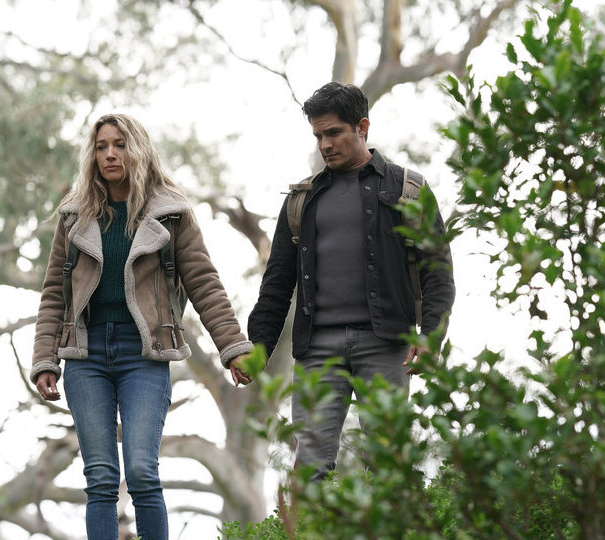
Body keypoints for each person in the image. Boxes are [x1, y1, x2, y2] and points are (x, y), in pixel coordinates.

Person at [30, 113, 253, 540]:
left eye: (119, 145)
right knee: (99, 477)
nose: (110, 154)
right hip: (86, 355)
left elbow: (204, 282)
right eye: (101, 147)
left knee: (141, 470)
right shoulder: (73, 216)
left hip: (144, 354)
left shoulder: (170, 213)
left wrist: (233, 348)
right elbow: (54, 294)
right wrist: (45, 360)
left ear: (139, 150)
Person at [247, 82, 455, 481]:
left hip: (386, 343)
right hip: (316, 350)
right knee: (309, 470)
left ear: (362, 127)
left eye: (333, 133)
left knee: (388, 465)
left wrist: (431, 336)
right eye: (318, 136)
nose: (325, 144)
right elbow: (276, 282)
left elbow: (438, 272)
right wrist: (259, 347)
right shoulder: (300, 201)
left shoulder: (407, 190)